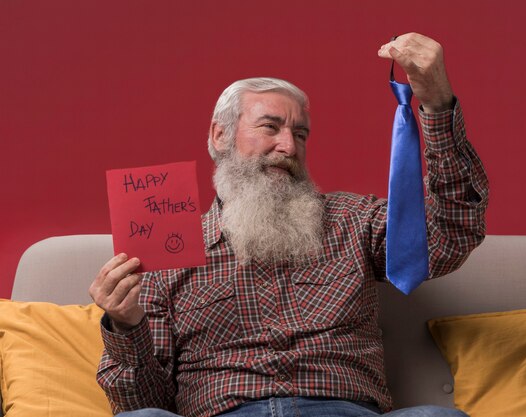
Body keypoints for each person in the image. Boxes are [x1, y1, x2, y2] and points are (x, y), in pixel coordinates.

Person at [89, 32, 489, 417]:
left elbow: (448, 237)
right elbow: (143, 402)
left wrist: (437, 105)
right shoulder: (166, 256)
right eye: (270, 127)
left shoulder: (354, 222)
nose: (288, 146)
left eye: (300, 133)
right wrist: (126, 325)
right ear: (220, 134)